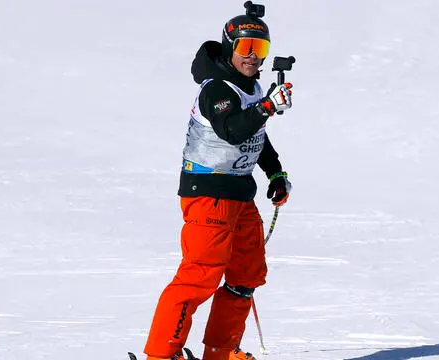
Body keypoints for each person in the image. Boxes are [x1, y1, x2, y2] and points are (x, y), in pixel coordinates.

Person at [142, 4, 293, 360]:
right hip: (208, 192)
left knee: (247, 274)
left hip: (240, 193)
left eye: (261, 50)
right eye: (246, 49)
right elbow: (230, 130)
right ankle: (162, 354)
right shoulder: (216, 89)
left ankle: (221, 351)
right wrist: (266, 108)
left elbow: (255, 133)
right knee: (201, 275)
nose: (253, 58)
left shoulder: (253, 87)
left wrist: (275, 173)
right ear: (230, 47)